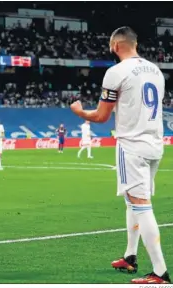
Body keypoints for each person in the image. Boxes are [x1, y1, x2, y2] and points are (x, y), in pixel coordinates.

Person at [70, 27, 170, 284]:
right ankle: (130, 256)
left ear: (115, 45)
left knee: (142, 206)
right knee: (133, 202)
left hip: (132, 146)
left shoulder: (116, 72)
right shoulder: (156, 71)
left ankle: (159, 272)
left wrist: (80, 111)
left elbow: (101, 117)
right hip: (155, 144)